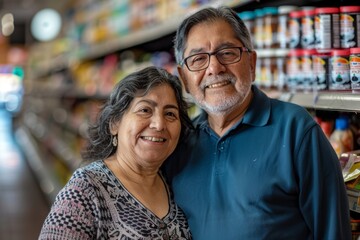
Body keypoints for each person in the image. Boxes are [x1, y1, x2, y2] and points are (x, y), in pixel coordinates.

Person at [164, 6, 352, 240]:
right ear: (184, 78)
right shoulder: (178, 143)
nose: (214, 68)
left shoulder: (296, 131)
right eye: (198, 58)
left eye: (227, 53)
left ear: (251, 63)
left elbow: (333, 232)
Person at [39, 66, 193, 239]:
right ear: (114, 124)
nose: (159, 124)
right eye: (145, 110)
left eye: (170, 114)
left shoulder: (174, 181)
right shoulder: (84, 190)